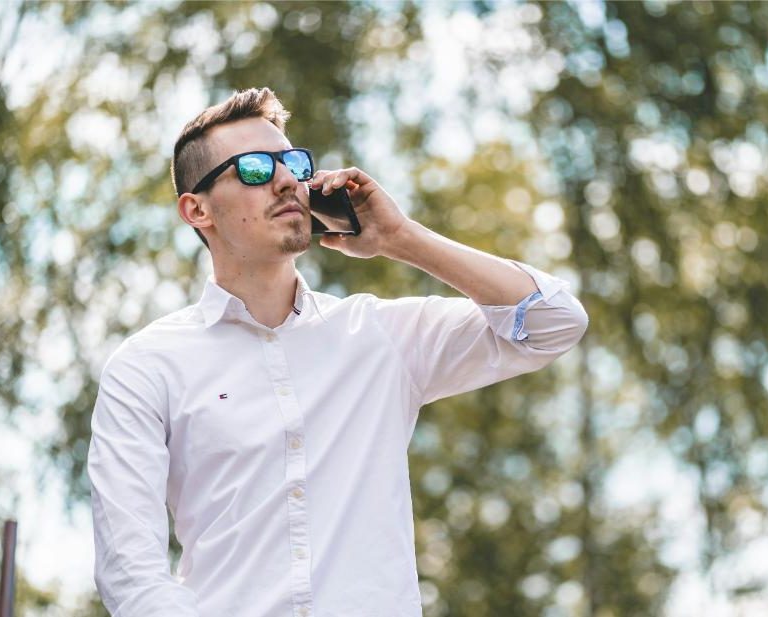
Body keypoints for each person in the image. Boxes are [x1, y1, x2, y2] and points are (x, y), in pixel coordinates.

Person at [87, 87, 588, 617]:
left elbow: (552, 322)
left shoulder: (378, 335)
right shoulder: (147, 366)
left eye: (294, 164)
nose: (286, 181)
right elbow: (131, 572)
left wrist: (399, 237)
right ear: (196, 209)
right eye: (254, 169)